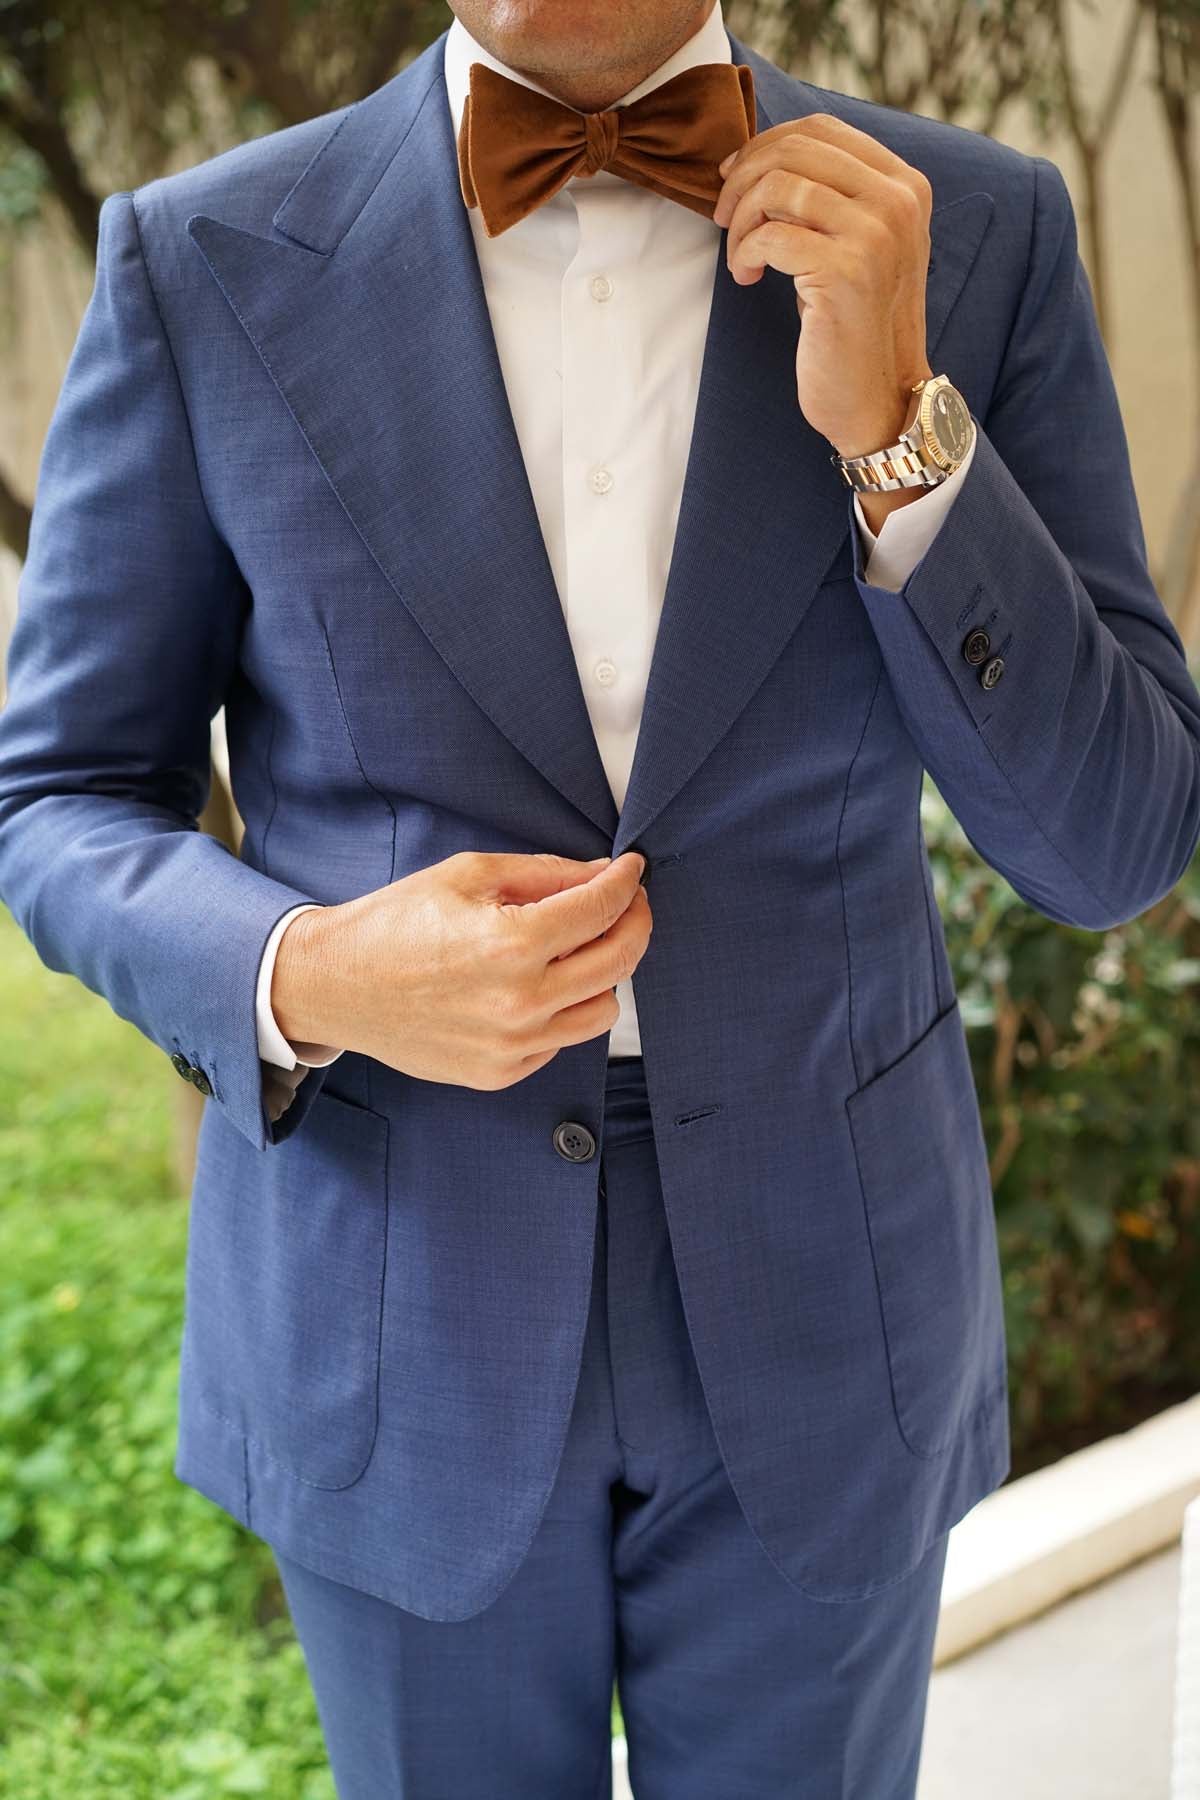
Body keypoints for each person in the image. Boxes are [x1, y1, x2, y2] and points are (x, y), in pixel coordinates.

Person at [2, 0, 1199, 1793]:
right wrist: (313, 969)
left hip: (828, 1304)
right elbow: (61, 798)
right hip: (398, 1309)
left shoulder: (976, 227)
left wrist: (898, 429)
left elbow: (1113, 840)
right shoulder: (204, 260)